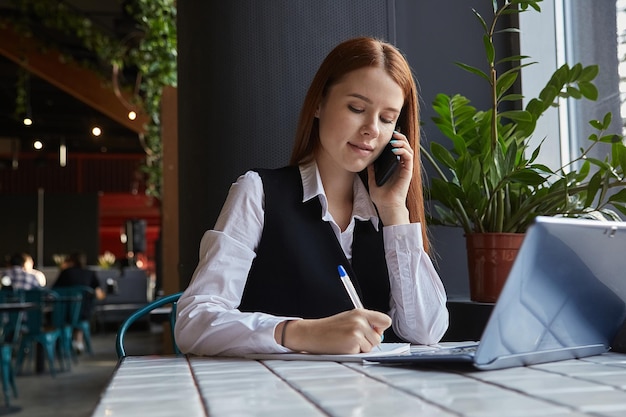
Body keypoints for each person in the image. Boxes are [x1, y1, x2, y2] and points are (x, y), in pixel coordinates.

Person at [174, 37, 449, 357]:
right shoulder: (260, 193)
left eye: (387, 119)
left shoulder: (383, 215)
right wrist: (300, 332)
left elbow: (427, 332)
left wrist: (395, 212)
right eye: (357, 108)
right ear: (319, 103)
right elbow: (193, 322)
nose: (372, 129)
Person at [53, 252, 105, 353]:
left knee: (69, 313)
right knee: (78, 315)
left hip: (65, 313)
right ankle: (78, 342)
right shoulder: (90, 273)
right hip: (85, 313)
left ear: (70, 261)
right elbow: (99, 295)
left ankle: (66, 344)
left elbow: (54, 291)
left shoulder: (66, 273)